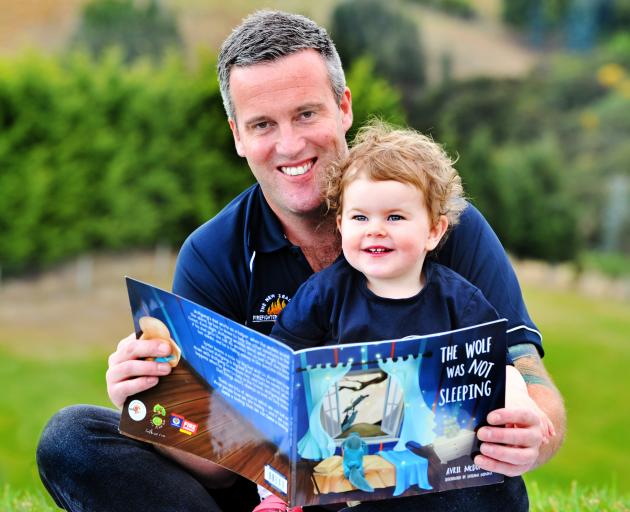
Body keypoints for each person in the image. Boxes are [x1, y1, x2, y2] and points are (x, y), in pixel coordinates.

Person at [36, 10, 565, 512]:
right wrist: (154, 403)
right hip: (271, 496)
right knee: (72, 438)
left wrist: (532, 435)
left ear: (344, 107)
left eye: (306, 114)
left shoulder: (445, 221)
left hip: (404, 487)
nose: (289, 144)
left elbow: (526, 373)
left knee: (485, 486)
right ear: (238, 136)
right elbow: (218, 468)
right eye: (262, 124)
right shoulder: (213, 252)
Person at [259, 121, 553, 511]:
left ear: (434, 231)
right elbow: (281, 364)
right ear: (341, 224)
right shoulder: (325, 294)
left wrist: (522, 404)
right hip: (354, 464)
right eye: (360, 218)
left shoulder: (458, 300)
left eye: (395, 218)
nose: (375, 230)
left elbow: (502, 366)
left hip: (439, 468)